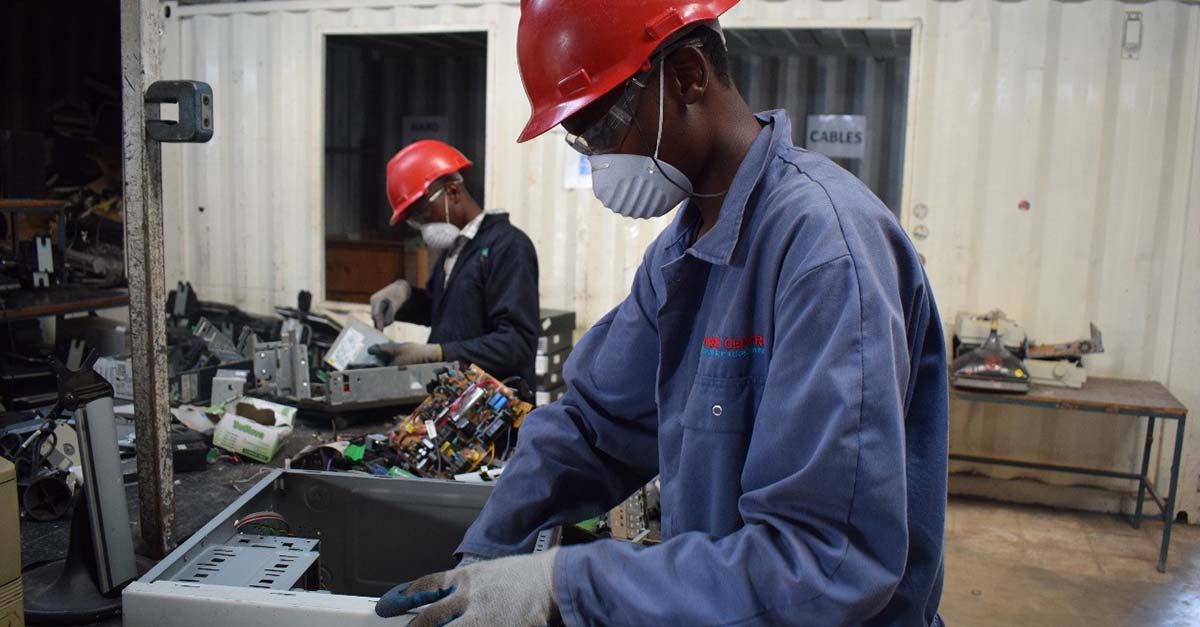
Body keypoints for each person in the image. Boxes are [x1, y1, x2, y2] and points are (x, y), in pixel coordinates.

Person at [375, 1, 949, 625]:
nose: (597, 162)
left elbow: (824, 564)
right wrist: (484, 558)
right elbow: (592, 428)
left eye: (602, 128)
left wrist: (564, 586)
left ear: (687, 77)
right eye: (581, 139)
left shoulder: (825, 250)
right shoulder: (681, 255)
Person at [368, 140, 539, 388]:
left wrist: (437, 353)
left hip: (494, 407)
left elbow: (516, 344)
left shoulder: (508, 246)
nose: (423, 226)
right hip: (455, 396)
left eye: (423, 212)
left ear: (453, 191)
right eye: (414, 221)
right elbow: (450, 312)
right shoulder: (458, 248)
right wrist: (404, 296)